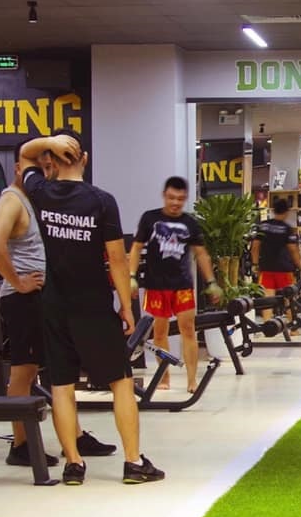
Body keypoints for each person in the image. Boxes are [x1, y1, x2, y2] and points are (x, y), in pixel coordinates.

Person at [15, 133, 162, 486]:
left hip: (55, 304)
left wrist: (49, 142)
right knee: (120, 382)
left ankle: (74, 464)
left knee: (62, 385)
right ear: (85, 158)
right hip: (93, 304)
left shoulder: (41, 192)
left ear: (52, 160)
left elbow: (25, 155)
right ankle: (133, 462)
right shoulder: (101, 200)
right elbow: (116, 258)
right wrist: (126, 307)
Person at [0, 173, 55, 466]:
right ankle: (21, 446)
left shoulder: (30, 199)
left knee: (33, 369)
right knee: (23, 373)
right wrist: (18, 282)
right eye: (40, 166)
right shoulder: (12, 199)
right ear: (19, 167)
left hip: (35, 298)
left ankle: (67, 437)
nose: (45, 173)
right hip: (22, 298)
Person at [129, 176, 216, 394]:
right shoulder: (150, 218)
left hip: (182, 285)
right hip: (156, 286)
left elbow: (201, 254)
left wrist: (211, 281)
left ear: (185, 199)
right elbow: (136, 248)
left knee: (188, 330)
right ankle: (164, 377)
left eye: (180, 199)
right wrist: (131, 276)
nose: (175, 203)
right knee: (160, 333)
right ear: (164, 196)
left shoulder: (190, 223)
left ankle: (192, 380)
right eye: (171, 198)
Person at [253, 196, 301, 322]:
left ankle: (267, 325)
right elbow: (293, 250)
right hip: (284, 268)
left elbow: (255, 247)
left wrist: (255, 264)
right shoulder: (287, 229)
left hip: (266, 267)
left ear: (273, 210)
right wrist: (300, 265)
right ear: (286, 212)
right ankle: (293, 326)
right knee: (289, 297)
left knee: (267, 298)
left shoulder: (263, 226)